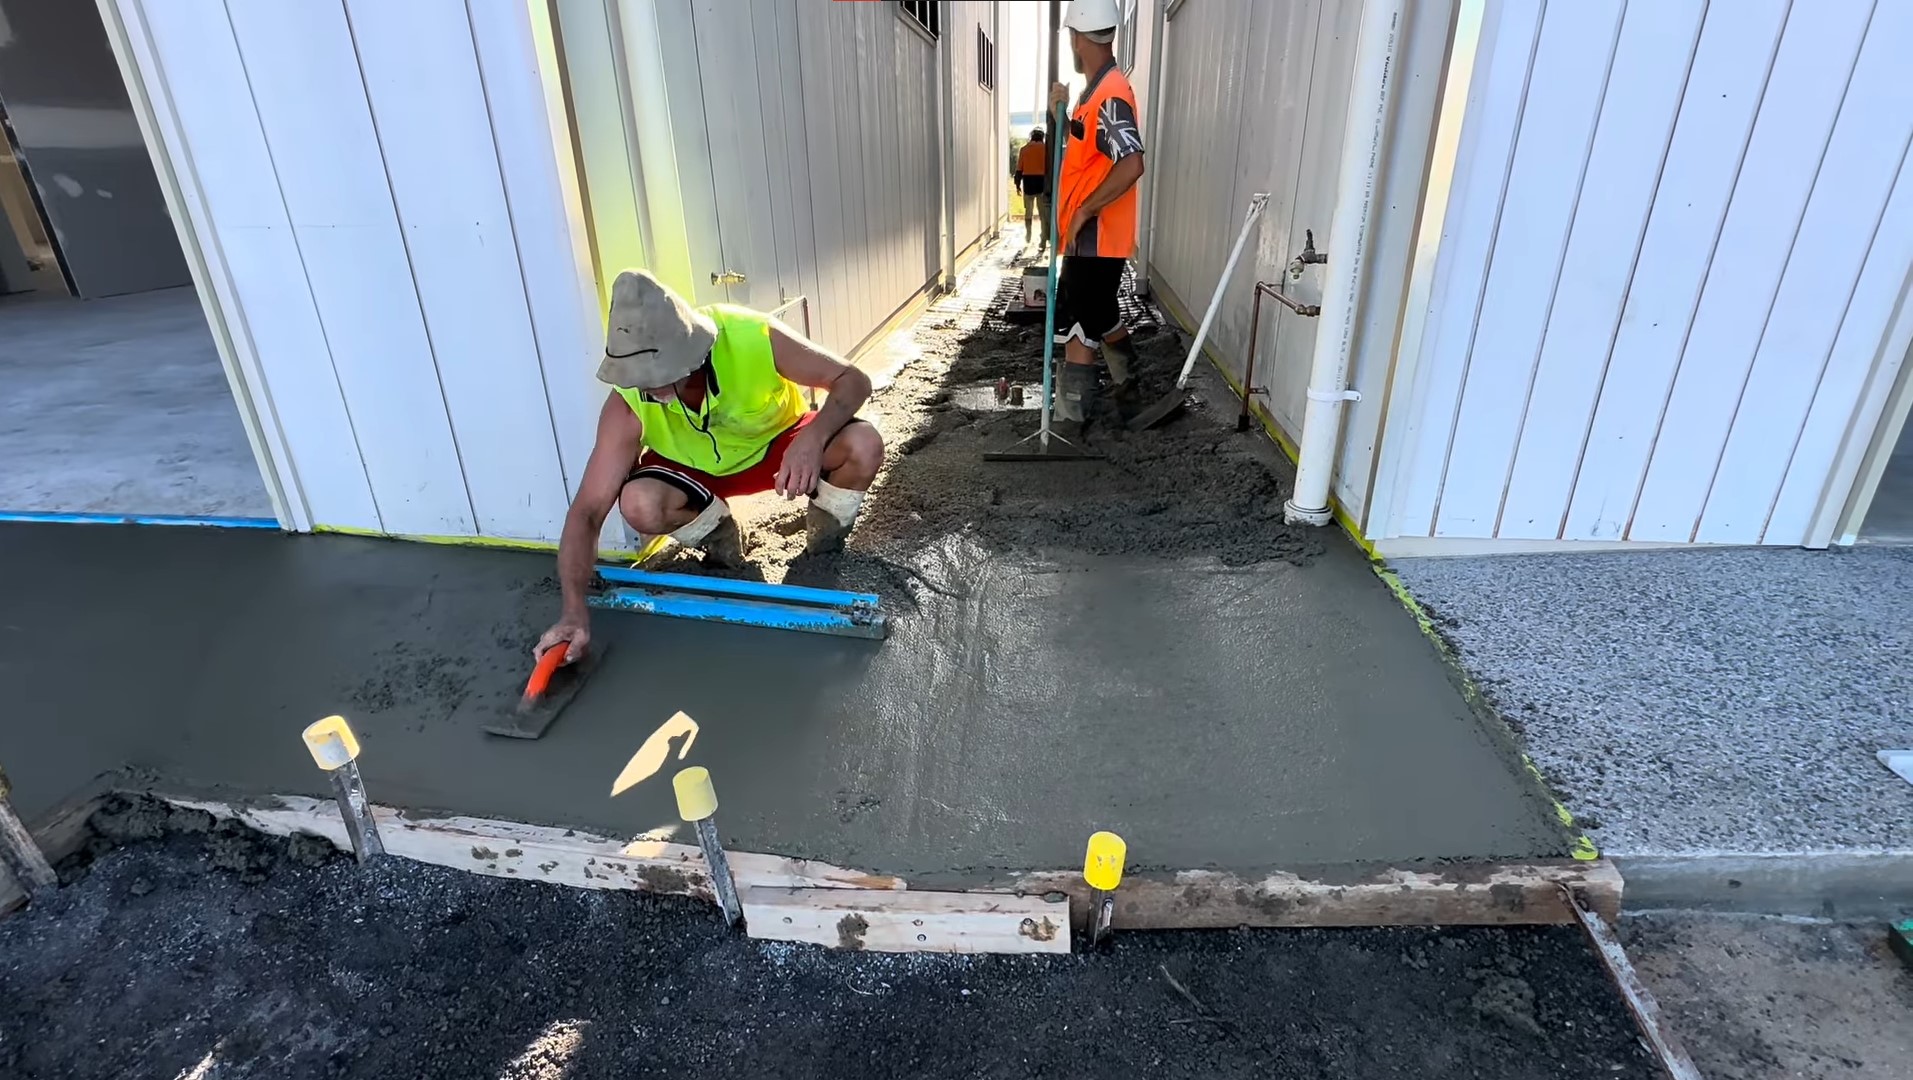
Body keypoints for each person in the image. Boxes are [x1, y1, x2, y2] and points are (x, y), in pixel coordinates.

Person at [535, 270, 885, 663]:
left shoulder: (750, 335)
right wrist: (573, 612)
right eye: (640, 379)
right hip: (697, 475)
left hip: (778, 449)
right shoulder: (627, 404)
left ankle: (824, 546)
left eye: (659, 375)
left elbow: (853, 380)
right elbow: (587, 511)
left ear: (691, 351)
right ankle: (722, 540)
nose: (648, 387)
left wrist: (814, 438)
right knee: (638, 502)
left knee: (864, 445)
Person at [1049, 0, 1145, 432]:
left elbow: (1131, 163)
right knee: (1095, 312)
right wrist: (1061, 116)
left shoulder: (1110, 95)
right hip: (1090, 234)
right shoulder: (1096, 94)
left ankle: (1073, 421)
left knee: (1080, 320)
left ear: (1077, 38)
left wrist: (1086, 209)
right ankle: (1124, 395)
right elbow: (1089, 155)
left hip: (1096, 234)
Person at [1015, 129, 1052, 252]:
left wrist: (1017, 185)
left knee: (1028, 211)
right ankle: (1043, 239)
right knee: (1042, 214)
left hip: (1028, 183)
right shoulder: (1046, 150)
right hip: (1042, 183)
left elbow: (1019, 169)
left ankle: (1028, 234)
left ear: (1031, 137)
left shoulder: (1024, 149)